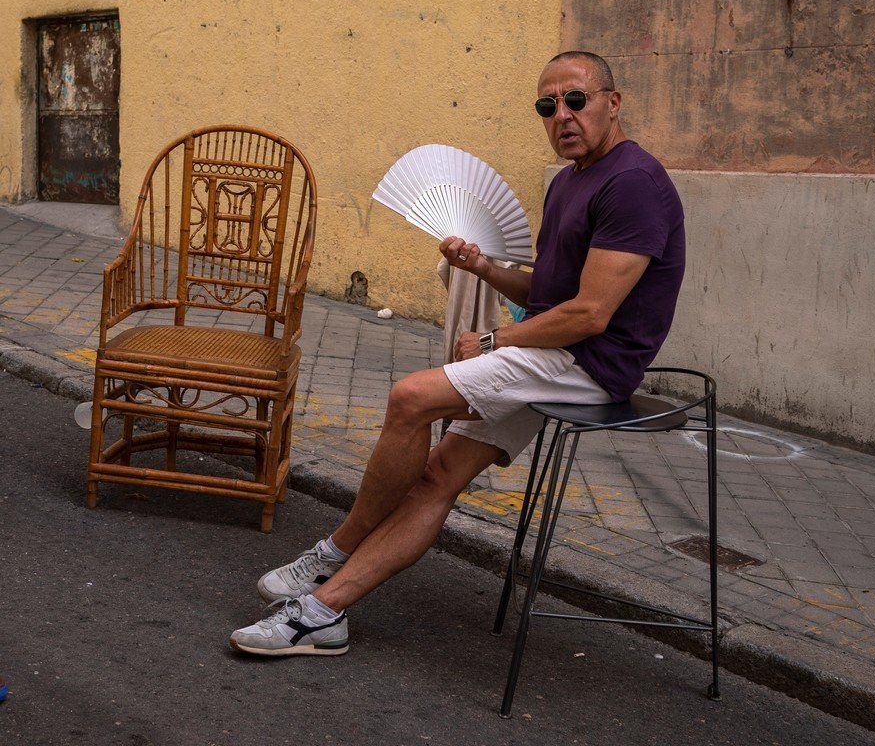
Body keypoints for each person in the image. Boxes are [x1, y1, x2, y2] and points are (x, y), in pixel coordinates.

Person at [230, 51, 686, 656]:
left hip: (589, 364)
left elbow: (590, 314)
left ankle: (334, 551)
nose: (562, 116)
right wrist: (483, 267)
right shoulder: (569, 182)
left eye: (576, 100)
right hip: (558, 351)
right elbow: (546, 295)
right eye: (547, 106)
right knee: (437, 475)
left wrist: (493, 342)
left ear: (613, 102)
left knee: (410, 398)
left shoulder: (632, 184)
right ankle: (322, 613)